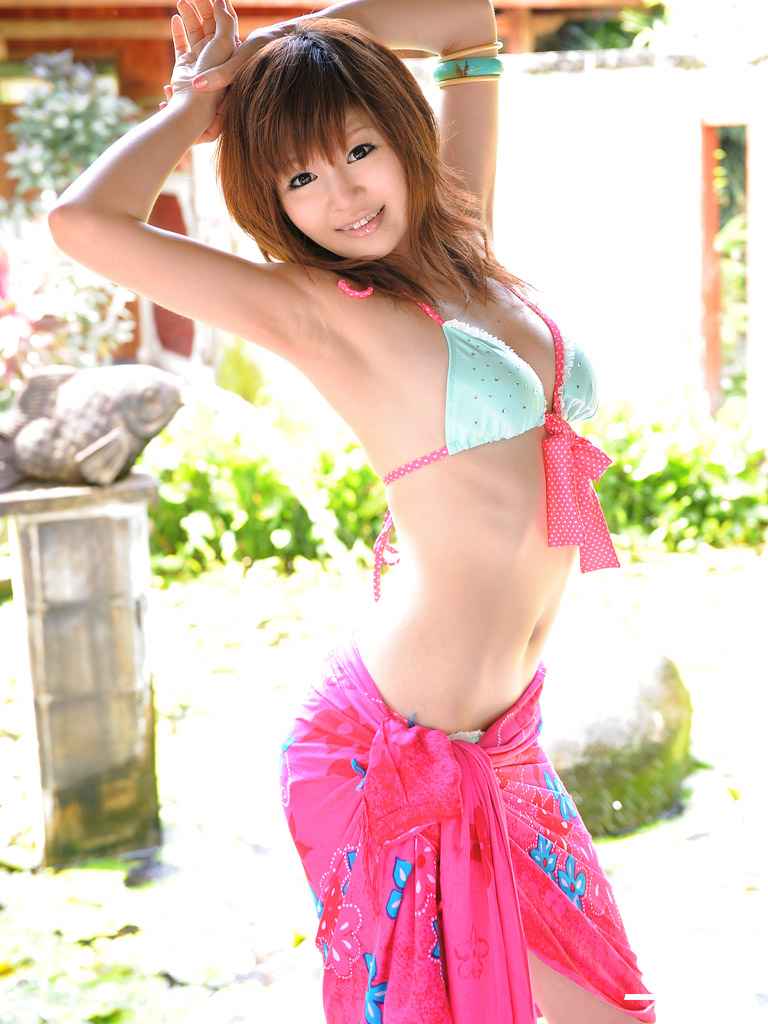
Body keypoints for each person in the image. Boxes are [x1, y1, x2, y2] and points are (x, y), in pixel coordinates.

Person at [48, 1, 657, 1020]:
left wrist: (280, 50)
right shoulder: (318, 311)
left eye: (360, 150)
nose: (341, 195)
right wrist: (206, 99)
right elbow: (83, 223)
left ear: (403, 137)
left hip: (500, 744)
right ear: (274, 202)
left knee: (616, 1010)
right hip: (388, 753)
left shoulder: (463, 240)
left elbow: (463, 20)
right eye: (300, 177)